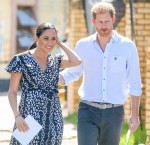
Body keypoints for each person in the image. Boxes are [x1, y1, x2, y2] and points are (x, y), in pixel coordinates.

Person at [59, 2, 142, 145]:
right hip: (87, 110)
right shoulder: (83, 45)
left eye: (107, 22)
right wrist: (50, 77)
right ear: (94, 22)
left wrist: (135, 115)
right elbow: (72, 73)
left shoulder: (127, 46)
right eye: (100, 22)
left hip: (114, 113)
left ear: (113, 19)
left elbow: (135, 82)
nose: (104, 26)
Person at [5, 22, 81, 145]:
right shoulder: (21, 60)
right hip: (29, 117)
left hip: (53, 117)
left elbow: (76, 61)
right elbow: (12, 92)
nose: (50, 43)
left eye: (53, 39)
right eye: (46, 38)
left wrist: (60, 43)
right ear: (36, 37)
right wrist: (17, 115)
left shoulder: (56, 60)